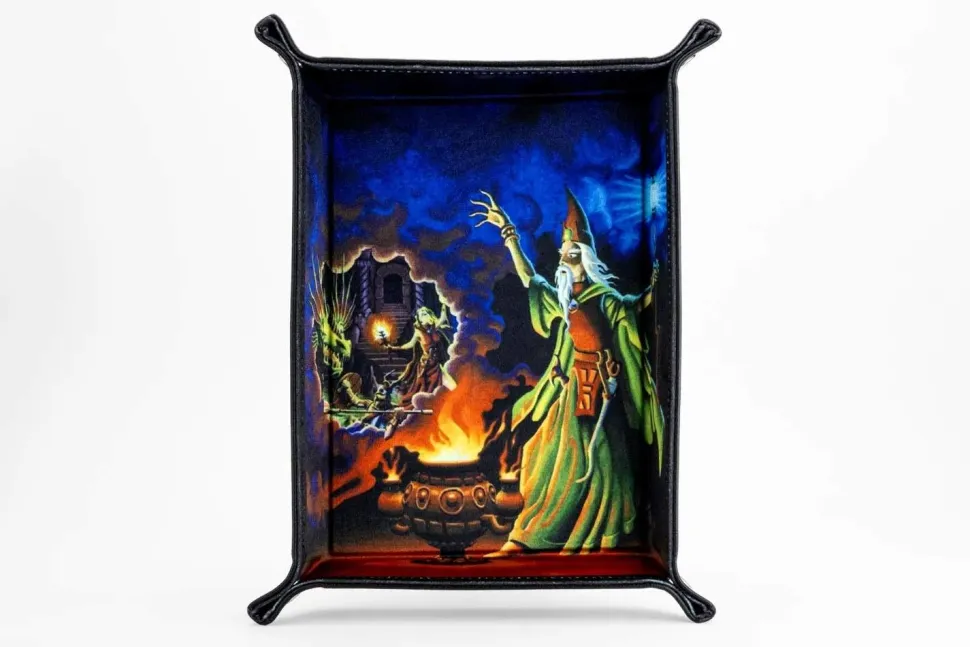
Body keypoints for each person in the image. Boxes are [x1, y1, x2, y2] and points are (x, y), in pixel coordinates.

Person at [469, 188, 663, 554]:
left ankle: (588, 533)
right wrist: (509, 234)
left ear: (584, 255)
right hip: (570, 387)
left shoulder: (604, 299)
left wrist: (657, 284)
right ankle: (530, 535)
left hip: (601, 389)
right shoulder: (565, 299)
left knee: (598, 463)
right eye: (563, 249)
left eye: (571, 250)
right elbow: (530, 279)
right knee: (541, 454)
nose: (564, 255)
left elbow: (635, 309)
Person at [382, 305, 455, 405]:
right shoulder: (418, 332)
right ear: (419, 319)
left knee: (450, 386)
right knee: (421, 390)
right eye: (421, 315)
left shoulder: (435, 327)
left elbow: (443, 317)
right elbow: (409, 345)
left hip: (437, 364)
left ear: (430, 315)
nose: (424, 316)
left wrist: (443, 303)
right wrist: (394, 348)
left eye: (425, 313)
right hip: (425, 366)